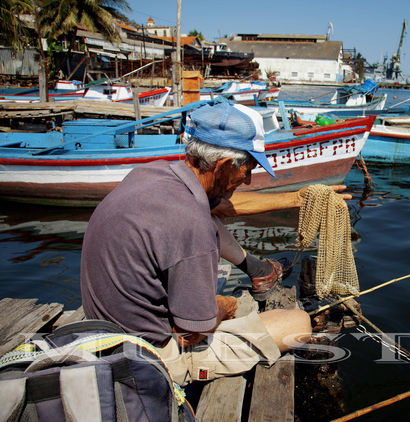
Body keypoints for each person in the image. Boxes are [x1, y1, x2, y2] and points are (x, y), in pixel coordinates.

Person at [80, 102, 343, 384]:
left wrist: (296, 199)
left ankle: (258, 272)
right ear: (224, 165)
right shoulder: (191, 223)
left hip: (104, 325)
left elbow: (224, 205)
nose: (249, 180)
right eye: (248, 170)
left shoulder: (153, 174)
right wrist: (227, 306)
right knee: (298, 322)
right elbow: (189, 334)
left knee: (210, 215)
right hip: (146, 357)